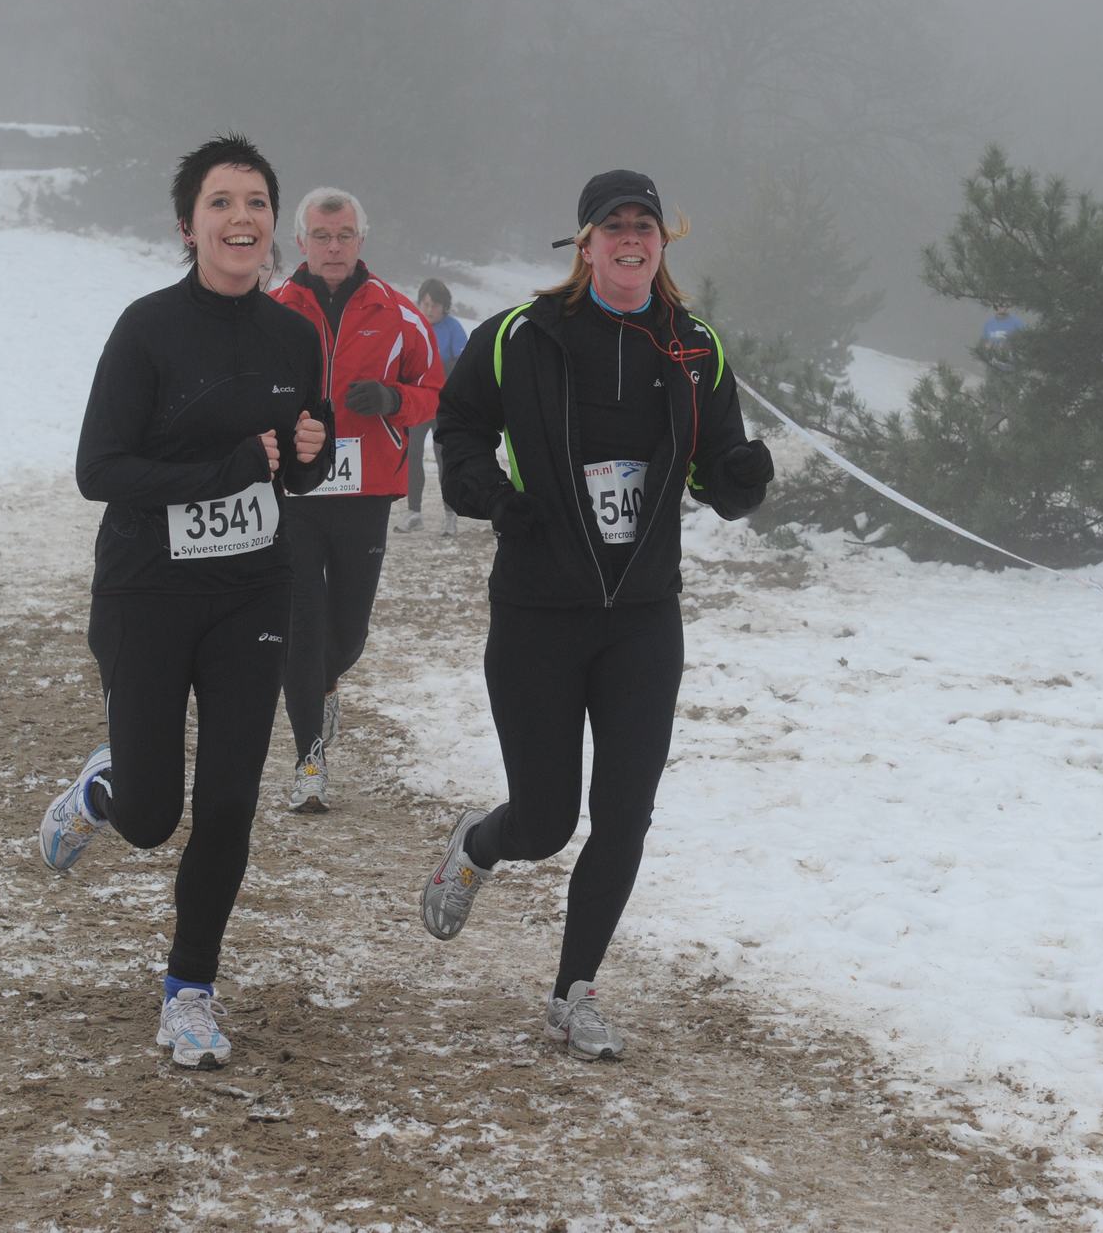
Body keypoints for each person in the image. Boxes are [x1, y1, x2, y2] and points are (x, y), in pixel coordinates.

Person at [419, 169, 774, 1060]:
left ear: (663, 241)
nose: (630, 238)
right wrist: (487, 492)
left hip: (643, 617)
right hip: (539, 612)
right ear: (584, 243)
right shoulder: (521, 336)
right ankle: (478, 845)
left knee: (624, 815)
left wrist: (741, 479)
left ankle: (574, 992)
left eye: (644, 225)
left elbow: (717, 466)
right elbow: (458, 427)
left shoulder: (693, 347)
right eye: (613, 225)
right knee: (545, 822)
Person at [36, 134, 332, 1070]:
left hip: (253, 591)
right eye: (221, 203)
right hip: (149, 590)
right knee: (153, 817)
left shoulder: (294, 336)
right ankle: (106, 787)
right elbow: (99, 470)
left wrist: (313, 453)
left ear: (272, 224)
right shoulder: (148, 329)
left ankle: (190, 990)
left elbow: (296, 467)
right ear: (188, 225)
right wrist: (226, 470)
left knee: (231, 801)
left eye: (256, 202)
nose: (241, 218)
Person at [272, 188, 444, 813]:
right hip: (295, 493)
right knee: (301, 624)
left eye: (344, 235)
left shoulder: (398, 312)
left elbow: (435, 390)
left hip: (365, 491)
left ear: (361, 240)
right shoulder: (274, 310)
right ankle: (308, 760)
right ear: (301, 242)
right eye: (322, 236)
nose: (334, 246)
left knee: (346, 635)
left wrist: (394, 400)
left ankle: (327, 685)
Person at [393, 277, 468, 536]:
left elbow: (462, 365)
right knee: (412, 454)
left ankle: (450, 513)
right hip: (419, 402)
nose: (429, 309)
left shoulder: (453, 328)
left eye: (435, 305)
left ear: (444, 306)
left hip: (444, 405)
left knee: (443, 456)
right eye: (425, 303)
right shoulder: (413, 325)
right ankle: (414, 512)